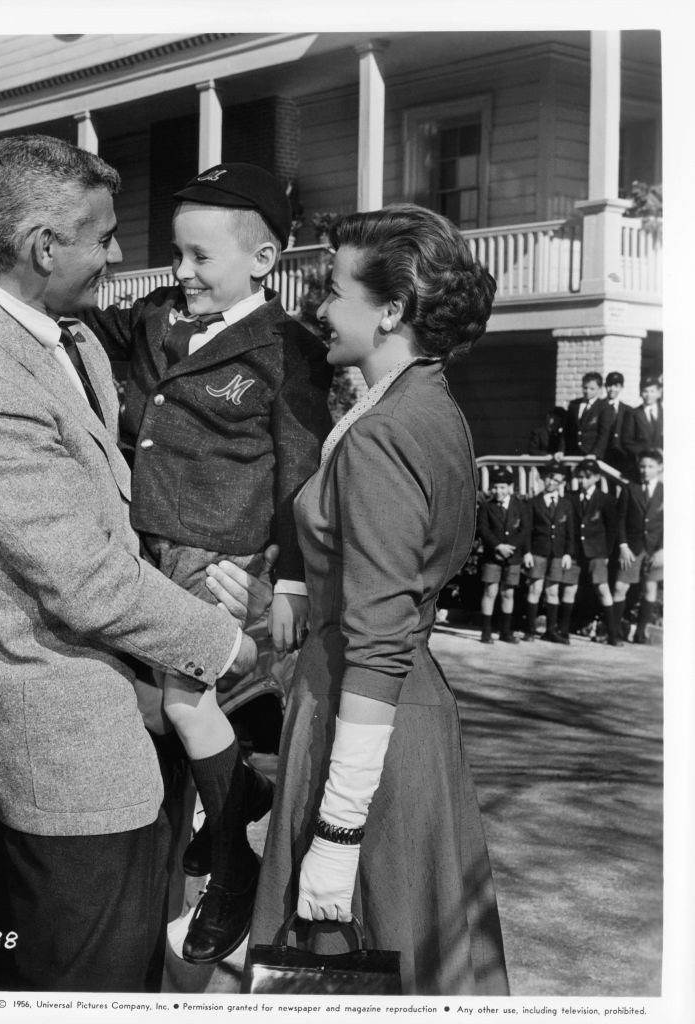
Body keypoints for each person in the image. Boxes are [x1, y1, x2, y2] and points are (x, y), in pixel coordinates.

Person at [0, 134, 270, 993]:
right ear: (42, 245)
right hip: (71, 768)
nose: (115, 255)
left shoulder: (69, 342)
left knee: (134, 972)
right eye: (102, 237)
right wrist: (225, 643)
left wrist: (199, 576)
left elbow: (116, 523)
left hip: (137, 731)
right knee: (87, 985)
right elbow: (87, 579)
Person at [248, 205, 509, 994]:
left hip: (367, 722)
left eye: (333, 290)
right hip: (391, 708)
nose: (319, 308)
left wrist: (335, 831)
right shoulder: (425, 405)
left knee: (358, 964)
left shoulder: (385, 432)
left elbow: (380, 638)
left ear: (390, 310)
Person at [84, 162, 333, 965]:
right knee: (167, 711)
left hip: (221, 553)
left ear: (262, 261)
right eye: (176, 255)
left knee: (187, 703)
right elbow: (92, 322)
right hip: (144, 549)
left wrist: (286, 580)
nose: (181, 273)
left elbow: (302, 475)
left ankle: (233, 859)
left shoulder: (287, 350)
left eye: (200, 259)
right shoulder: (157, 317)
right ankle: (235, 803)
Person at [563, 459, 621, 646]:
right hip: (575, 551)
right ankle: (563, 631)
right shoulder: (571, 498)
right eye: (579, 477)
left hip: (596, 552)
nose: (582, 481)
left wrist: (606, 554)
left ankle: (613, 634)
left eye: (587, 477)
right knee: (570, 587)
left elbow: (612, 530)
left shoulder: (605, 500)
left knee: (602, 588)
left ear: (596, 478)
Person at [613, 448, 664, 644]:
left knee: (650, 587)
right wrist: (623, 546)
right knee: (620, 586)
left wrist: (662, 549)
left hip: (655, 549)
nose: (645, 470)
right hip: (632, 547)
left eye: (650, 466)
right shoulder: (630, 489)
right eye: (642, 466)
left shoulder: (665, 492)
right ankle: (615, 630)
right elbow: (621, 520)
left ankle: (641, 632)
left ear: (660, 468)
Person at [521, 461, 574, 642]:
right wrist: (527, 552)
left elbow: (570, 531)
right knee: (535, 588)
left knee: (553, 590)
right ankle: (530, 630)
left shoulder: (566, 504)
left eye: (557, 479)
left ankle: (551, 631)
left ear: (562, 483)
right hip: (538, 551)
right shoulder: (533, 502)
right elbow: (527, 530)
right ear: (544, 479)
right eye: (550, 477)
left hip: (558, 554)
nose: (552, 482)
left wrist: (568, 553)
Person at [477, 465, 530, 644]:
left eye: (502, 487)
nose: (498, 491)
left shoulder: (520, 506)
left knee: (508, 593)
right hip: (493, 555)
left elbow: (524, 530)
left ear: (510, 488)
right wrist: (498, 546)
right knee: (490, 591)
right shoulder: (486, 506)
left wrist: (511, 547)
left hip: (513, 556)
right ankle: (486, 631)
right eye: (495, 487)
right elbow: (484, 529)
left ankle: (505, 631)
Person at [565, 371, 613, 459]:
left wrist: (595, 453)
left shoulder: (604, 407)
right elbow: (567, 430)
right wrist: (561, 450)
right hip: (573, 453)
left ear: (599, 389)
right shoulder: (574, 405)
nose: (587, 391)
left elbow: (604, 434)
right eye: (585, 388)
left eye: (592, 389)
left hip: (591, 454)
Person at [622, 376, 663, 477]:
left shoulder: (667, 413)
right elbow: (626, 441)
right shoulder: (633, 414)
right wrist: (645, 454)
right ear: (640, 393)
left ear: (659, 393)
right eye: (645, 391)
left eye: (652, 391)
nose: (648, 395)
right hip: (642, 465)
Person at [602, 371, 633, 477]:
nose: (612, 389)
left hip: (620, 456)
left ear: (621, 387)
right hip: (602, 454)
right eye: (609, 385)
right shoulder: (598, 406)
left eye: (616, 386)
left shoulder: (628, 410)